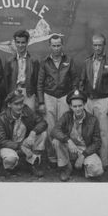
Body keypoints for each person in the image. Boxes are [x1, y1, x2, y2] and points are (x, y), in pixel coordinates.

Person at [37, 34, 78, 165]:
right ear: (50, 46)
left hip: (65, 97)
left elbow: (75, 80)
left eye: (58, 45)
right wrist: (41, 102)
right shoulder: (44, 62)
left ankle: (64, 157)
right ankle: (52, 157)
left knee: (64, 127)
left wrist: (73, 99)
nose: (56, 48)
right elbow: (40, 83)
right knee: (49, 128)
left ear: (62, 45)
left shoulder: (69, 60)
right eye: (53, 46)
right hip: (49, 96)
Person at [79, 33, 108, 170]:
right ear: (92, 46)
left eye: (100, 45)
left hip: (103, 100)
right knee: (87, 131)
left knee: (103, 132)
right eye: (95, 45)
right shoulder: (87, 61)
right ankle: (88, 160)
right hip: (89, 100)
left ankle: (104, 163)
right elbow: (82, 82)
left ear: (104, 45)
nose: (97, 48)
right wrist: (81, 100)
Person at [51, 89, 103, 182]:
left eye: (80, 106)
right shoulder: (67, 116)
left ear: (84, 105)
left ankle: (81, 165)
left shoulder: (93, 120)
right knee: (56, 141)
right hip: (70, 147)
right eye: (75, 106)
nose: (78, 109)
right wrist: (68, 140)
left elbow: (97, 142)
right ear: (70, 106)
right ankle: (66, 168)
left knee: (97, 171)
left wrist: (83, 155)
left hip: (85, 149)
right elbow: (55, 130)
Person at [0, 89, 48, 177]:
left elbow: (43, 122)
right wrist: (20, 146)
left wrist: (33, 132)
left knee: (43, 134)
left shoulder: (26, 110)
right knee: (10, 159)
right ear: (9, 105)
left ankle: (32, 163)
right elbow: (1, 141)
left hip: (24, 143)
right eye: (16, 104)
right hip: (10, 146)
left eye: (21, 103)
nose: (20, 107)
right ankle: (10, 168)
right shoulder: (3, 118)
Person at [4, 30, 39, 111]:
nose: (20, 45)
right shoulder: (9, 60)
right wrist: (10, 94)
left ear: (27, 42)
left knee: (29, 118)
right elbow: (6, 81)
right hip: (14, 91)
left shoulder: (34, 60)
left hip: (29, 92)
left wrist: (36, 97)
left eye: (23, 42)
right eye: (18, 42)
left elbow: (36, 80)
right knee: (15, 118)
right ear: (15, 43)